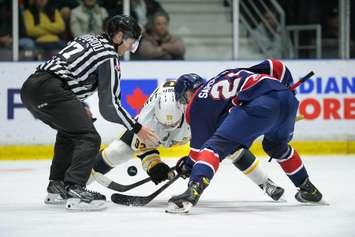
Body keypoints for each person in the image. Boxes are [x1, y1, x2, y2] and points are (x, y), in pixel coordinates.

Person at [20, 15, 159, 211]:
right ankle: (75, 189)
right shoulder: (109, 55)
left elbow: (68, 71)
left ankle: (57, 187)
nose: (130, 48)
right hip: (53, 90)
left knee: (70, 133)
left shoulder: (87, 38)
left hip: (31, 87)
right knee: (89, 137)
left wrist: (78, 104)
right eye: (130, 42)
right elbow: (109, 106)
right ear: (119, 36)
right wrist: (136, 128)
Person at [167, 59, 323, 213]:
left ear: (188, 94)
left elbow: (198, 152)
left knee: (214, 147)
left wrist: (187, 166)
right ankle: (308, 189)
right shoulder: (224, 75)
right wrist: (286, 92)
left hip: (260, 104)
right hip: (288, 99)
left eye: (183, 99)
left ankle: (193, 191)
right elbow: (275, 66)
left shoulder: (196, 106)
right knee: (276, 146)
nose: (185, 103)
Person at [90, 81, 284, 202]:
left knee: (231, 147)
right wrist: (154, 165)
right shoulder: (147, 120)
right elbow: (143, 147)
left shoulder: (201, 111)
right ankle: (75, 183)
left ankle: (266, 183)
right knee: (116, 151)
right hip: (153, 127)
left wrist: (190, 163)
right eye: (165, 125)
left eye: (173, 124)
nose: (168, 129)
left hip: (193, 124)